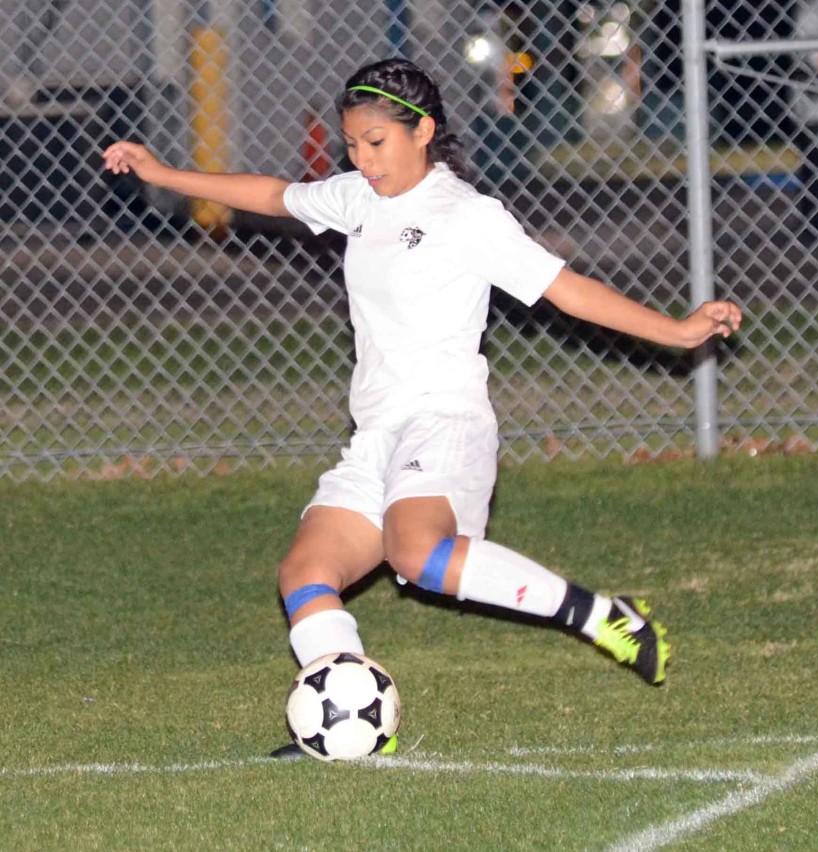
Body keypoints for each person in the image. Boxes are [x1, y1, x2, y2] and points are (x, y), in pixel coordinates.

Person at [104, 57, 741, 749]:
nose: (362, 159)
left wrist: (678, 331)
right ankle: (346, 725)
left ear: (423, 131)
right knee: (306, 573)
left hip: (444, 420)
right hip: (377, 431)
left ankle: (599, 615)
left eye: (375, 143)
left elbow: (569, 291)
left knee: (416, 556)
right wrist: (163, 173)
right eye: (351, 145)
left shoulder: (466, 215)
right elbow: (273, 193)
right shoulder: (358, 198)